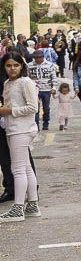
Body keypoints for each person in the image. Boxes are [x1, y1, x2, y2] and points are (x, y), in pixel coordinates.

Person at [0, 50, 39, 220]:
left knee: (17, 169)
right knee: (26, 168)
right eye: (8, 65)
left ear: (22, 65)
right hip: (13, 128)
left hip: (22, 130)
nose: (12, 68)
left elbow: (33, 108)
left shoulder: (26, 82)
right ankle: (32, 204)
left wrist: (8, 110)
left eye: (16, 65)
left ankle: (18, 208)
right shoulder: (8, 83)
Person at [29, 50, 57, 132]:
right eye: (36, 58)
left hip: (46, 89)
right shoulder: (29, 66)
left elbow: (53, 77)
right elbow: (27, 77)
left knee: (46, 108)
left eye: (39, 57)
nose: (38, 59)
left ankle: (46, 123)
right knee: (35, 108)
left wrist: (54, 87)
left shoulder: (49, 65)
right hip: (34, 90)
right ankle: (36, 124)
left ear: (43, 57)